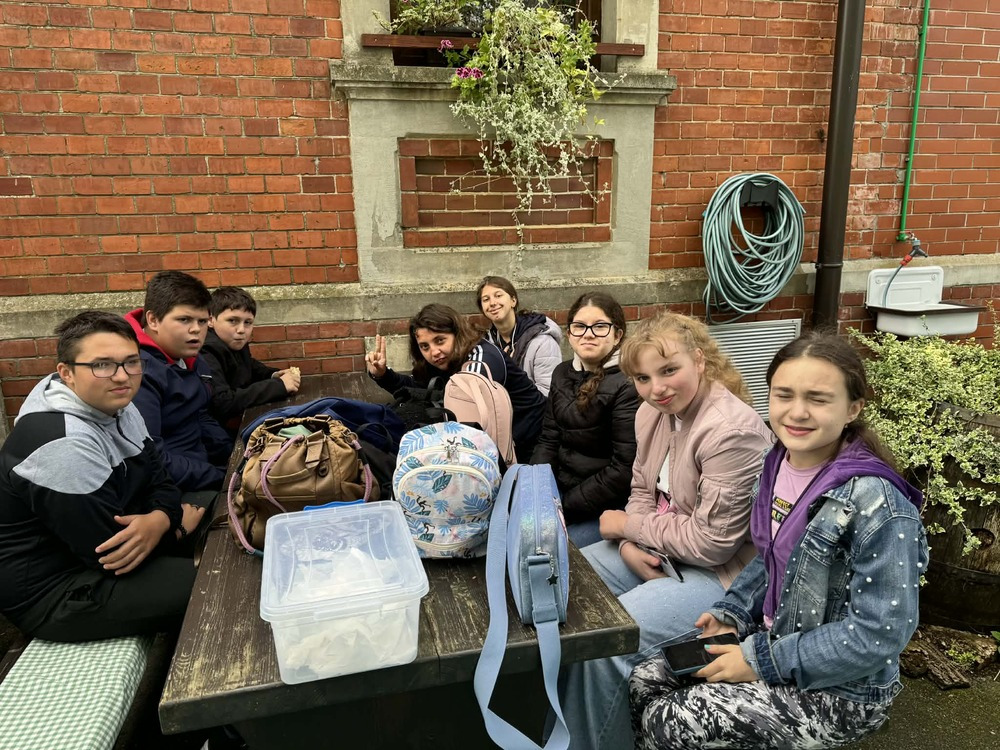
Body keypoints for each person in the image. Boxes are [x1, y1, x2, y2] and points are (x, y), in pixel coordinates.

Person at [629, 331, 928, 750]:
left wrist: (759, 661)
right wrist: (733, 611)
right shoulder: (778, 462)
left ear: (853, 408)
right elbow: (772, 554)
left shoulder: (878, 503)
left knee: (671, 720)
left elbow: (879, 635)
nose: (797, 412)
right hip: (773, 638)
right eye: (784, 395)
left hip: (842, 691)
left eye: (818, 399)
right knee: (645, 679)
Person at [564, 310, 773, 750]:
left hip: (722, 578)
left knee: (604, 643)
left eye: (669, 370)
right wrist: (627, 542)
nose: (656, 388)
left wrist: (628, 525)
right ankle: (564, 725)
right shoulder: (652, 413)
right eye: (642, 378)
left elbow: (713, 544)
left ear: (699, 360)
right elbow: (642, 488)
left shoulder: (731, 431)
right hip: (663, 550)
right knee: (566, 584)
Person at [0, 312, 204, 641]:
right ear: (66, 373)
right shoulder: (61, 443)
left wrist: (161, 519)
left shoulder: (117, 404)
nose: (122, 376)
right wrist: (176, 527)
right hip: (57, 591)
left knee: (223, 513)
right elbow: (112, 552)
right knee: (218, 582)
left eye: (131, 362)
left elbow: (161, 478)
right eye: (102, 365)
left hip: (119, 536)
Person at [365, 303, 546, 462]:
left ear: (457, 334)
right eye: (425, 346)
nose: (434, 352)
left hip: (533, 442)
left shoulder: (481, 358)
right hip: (498, 442)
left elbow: (465, 413)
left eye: (440, 340)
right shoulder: (443, 361)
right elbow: (419, 389)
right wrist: (383, 375)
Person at [530, 292, 640, 548]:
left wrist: (564, 507)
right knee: (522, 539)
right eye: (579, 326)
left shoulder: (628, 383)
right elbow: (549, 439)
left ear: (617, 335)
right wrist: (537, 491)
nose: (588, 334)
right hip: (560, 492)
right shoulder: (562, 373)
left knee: (553, 551)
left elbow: (623, 469)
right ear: (569, 333)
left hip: (604, 505)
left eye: (600, 326)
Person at [124, 271, 232, 496]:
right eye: (184, 320)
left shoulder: (190, 356)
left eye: (202, 321)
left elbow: (200, 416)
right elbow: (150, 457)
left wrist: (234, 458)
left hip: (203, 471)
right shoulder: (137, 372)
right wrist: (220, 477)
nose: (196, 330)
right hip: (170, 491)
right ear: (153, 320)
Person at [201, 286, 301, 435]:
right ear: (210, 320)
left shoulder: (232, 342)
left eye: (247, 322)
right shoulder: (206, 351)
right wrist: (279, 386)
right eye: (232, 320)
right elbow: (223, 402)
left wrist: (274, 374)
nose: (241, 329)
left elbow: (249, 366)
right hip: (217, 435)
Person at [476, 276, 562, 396]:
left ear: (513, 300)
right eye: (486, 299)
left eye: (498, 295)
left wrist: (510, 370)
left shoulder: (542, 342)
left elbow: (547, 395)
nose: (492, 303)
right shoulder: (484, 346)